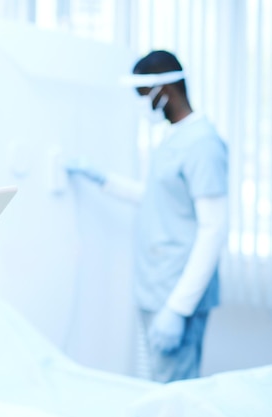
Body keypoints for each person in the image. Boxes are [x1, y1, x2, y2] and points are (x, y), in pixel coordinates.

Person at [67, 50, 228, 383]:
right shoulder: (175, 139)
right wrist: (101, 178)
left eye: (143, 96)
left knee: (176, 395)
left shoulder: (202, 145)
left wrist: (178, 308)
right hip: (159, 284)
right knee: (163, 388)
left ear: (162, 91)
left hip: (176, 291)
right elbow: (158, 199)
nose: (142, 105)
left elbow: (214, 229)